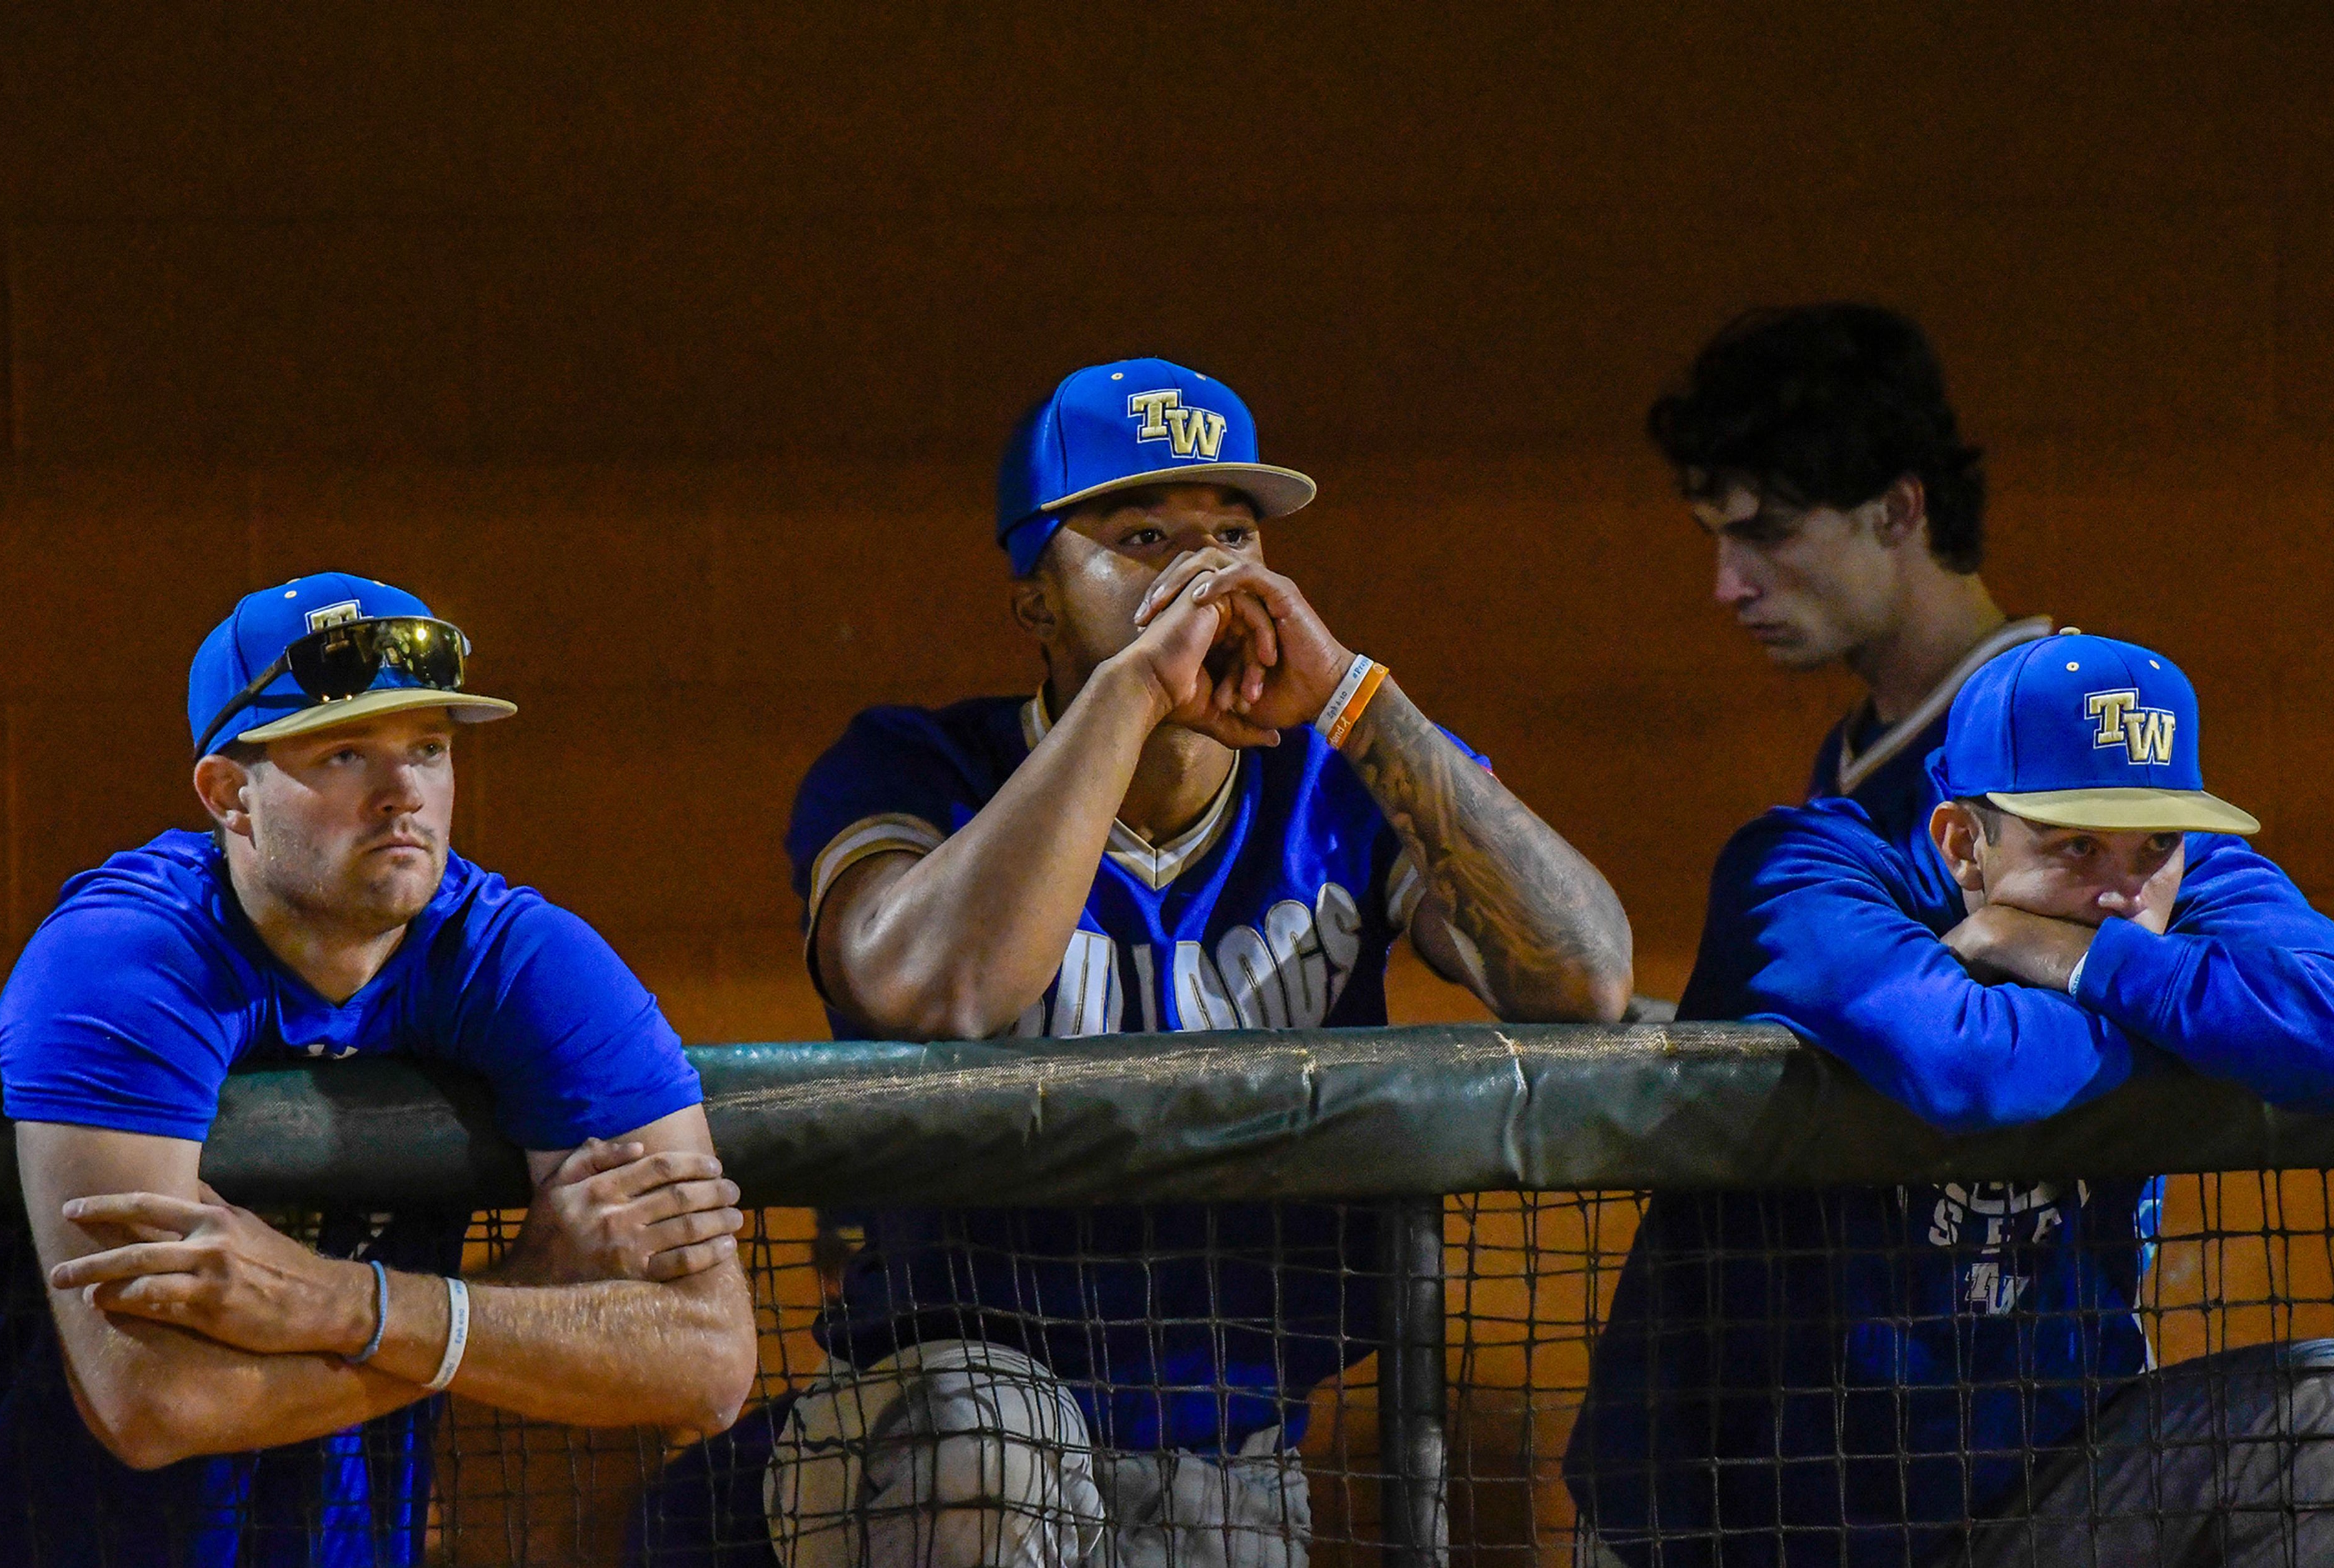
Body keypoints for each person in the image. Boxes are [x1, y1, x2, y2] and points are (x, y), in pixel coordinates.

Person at [638, 357, 1632, 1568]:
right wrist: (1138, 692)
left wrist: (1355, 696)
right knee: (986, 1455)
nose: (1203, 575)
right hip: (930, 1421)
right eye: (1143, 536)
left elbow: (1584, 973)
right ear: (1037, 600)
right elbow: (930, 988)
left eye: (1232, 534)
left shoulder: (1339, 783)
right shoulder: (915, 767)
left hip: (1226, 1448)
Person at [0, 572, 758, 1565]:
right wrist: (534, 1288)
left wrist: (338, 1304)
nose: (405, 791)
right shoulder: (123, 963)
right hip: (34, 1531)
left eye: (429, 749)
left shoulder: (524, 961)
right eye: (345, 752)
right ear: (230, 795)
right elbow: (151, 1402)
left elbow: (708, 1363)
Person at [1568, 631, 2334, 1567]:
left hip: (2043, 1501)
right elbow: (1963, 1065)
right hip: (1732, 1519)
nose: (2124, 895)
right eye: (2077, 844)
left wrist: (2079, 958)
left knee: (2318, 1419)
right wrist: (2199, 1017)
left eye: (2157, 844)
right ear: (1963, 839)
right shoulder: (1809, 874)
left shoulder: (2184, 881)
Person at [1656, 302, 2052, 842]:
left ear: (1894, 511)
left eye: (1769, 533)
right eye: (1717, 538)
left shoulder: (2054, 730)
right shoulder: (1857, 753)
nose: (1728, 588)